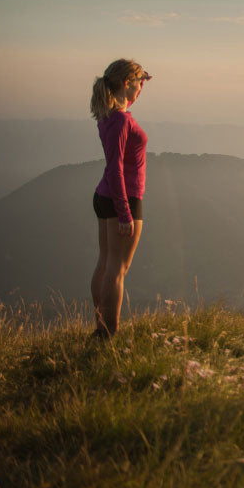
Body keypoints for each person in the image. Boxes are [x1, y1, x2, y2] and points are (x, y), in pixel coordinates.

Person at [89, 59, 151, 339]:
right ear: (127, 83)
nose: (141, 89)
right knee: (117, 269)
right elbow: (115, 168)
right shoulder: (121, 120)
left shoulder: (108, 116)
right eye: (139, 83)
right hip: (122, 197)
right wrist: (125, 213)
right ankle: (107, 335)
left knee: (105, 263)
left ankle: (101, 328)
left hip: (107, 196)